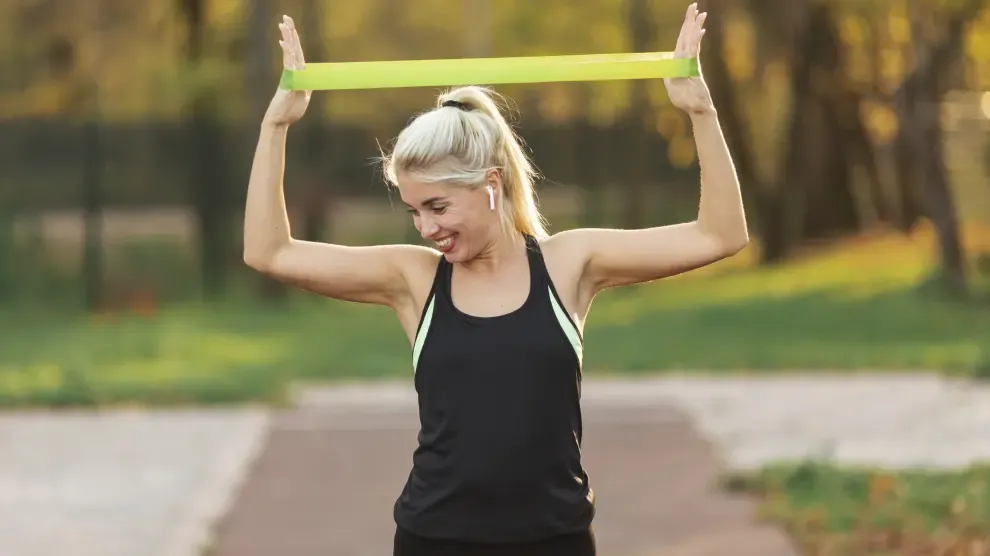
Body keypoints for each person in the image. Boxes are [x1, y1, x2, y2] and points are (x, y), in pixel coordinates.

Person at [243, 3, 747, 555]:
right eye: (414, 211)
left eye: (438, 206)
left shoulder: (568, 264)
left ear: (490, 184)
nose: (425, 228)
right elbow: (269, 251)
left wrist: (701, 112)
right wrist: (275, 125)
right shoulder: (413, 280)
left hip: (554, 540)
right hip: (435, 540)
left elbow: (719, 235)